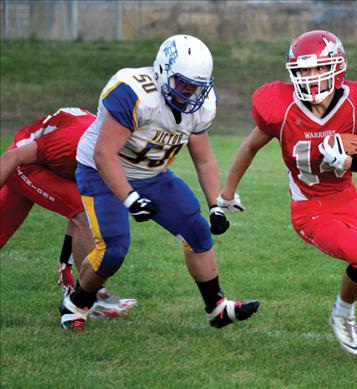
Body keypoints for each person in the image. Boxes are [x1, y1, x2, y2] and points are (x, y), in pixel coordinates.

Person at [218, 30, 357, 358]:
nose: (310, 77)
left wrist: (352, 161)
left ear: (338, 67)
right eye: (303, 71)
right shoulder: (282, 108)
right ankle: (341, 313)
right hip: (310, 208)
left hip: (346, 199)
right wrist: (226, 196)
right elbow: (249, 148)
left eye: (318, 68)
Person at [60, 34, 261, 331]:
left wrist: (216, 204)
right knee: (113, 249)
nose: (190, 93)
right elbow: (104, 154)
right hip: (102, 172)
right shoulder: (134, 92)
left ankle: (216, 307)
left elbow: (203, 158)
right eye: (183, 84)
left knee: (196, 230)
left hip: (152, 174)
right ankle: (77, 302)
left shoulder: (201, 104)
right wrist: (130, 199)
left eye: (197, 87)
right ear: (163, 71)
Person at [0, 108, 137, 319]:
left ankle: (84, 292)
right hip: (23, 164)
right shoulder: (75, 143)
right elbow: (12, 156)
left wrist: (66, 266)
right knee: (83, 210)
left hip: (48, 163)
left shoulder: (106, 144)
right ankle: (91, 297)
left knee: (85, 207)